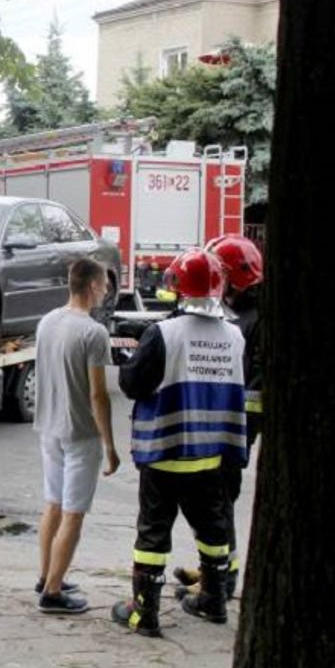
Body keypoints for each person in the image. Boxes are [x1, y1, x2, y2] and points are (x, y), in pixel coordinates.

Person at [111, 248, 247, 638]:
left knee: (153, 532)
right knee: (213, 531)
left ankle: (144, 613)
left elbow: (131, 384)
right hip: (211, 457)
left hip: (165, 453)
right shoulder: (234, 336)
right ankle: (214, 602)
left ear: (177, 287)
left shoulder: (164, 333)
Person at [174, 235, 264, 602]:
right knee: (215, 497)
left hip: (233, 425)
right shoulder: (243, 312)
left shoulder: (248, 320)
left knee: (216, 497)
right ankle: (217, 568)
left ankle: (221, 580)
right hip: (230, 422)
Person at [33, 258, 120, 614]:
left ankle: (46, 575)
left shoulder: (47, 322)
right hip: (80, 433)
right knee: (73, 513)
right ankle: (53, 593)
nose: (106, 291)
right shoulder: (93, 333)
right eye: (104, 285)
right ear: (91, 286)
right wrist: (110, 446)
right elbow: (98, 395)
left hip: (48, 427)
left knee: (53, 505)